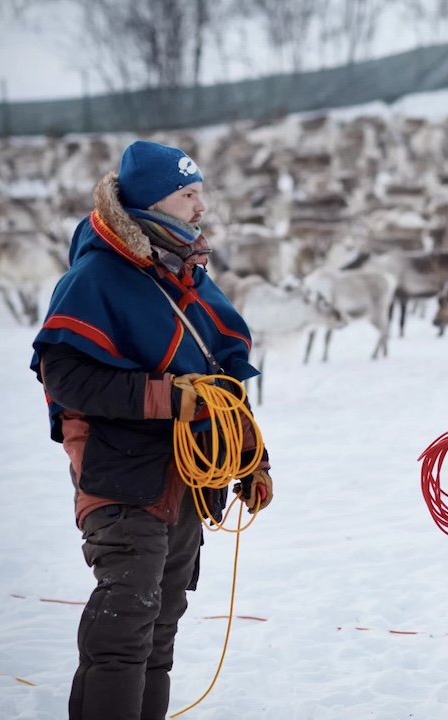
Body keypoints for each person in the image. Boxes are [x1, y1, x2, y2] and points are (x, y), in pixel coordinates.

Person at [30, 140, 274, 720]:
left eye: (199, 193)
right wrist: (168, 398)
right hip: (122, 479)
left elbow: (219, 384)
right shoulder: (96, 277)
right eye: (188, 194)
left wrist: (251, 458)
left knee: (158, 635)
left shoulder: (185, 275)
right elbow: (63, 375)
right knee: (123, 634)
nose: (201, 207)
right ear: (153, 202)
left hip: (187, 481)